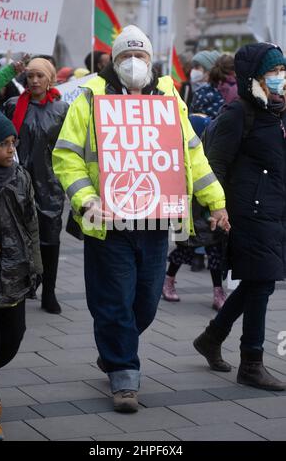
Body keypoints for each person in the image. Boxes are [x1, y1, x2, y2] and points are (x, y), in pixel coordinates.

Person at [53, 25, 230, 413]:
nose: (134, 64)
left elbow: (193, 156)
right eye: (125, 57)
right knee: (114, 299)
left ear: (151, 61)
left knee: (146, 302)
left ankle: (116, 347)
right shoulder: (89, 97)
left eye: (141, 56)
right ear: (113, 61)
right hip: (108, 221)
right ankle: (123, 375)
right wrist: (86, 200)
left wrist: (215, 201)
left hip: (154, 220)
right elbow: (66, 157)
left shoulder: (169, 100)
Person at [193, 43, 286, 391]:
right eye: (272, 73)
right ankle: (252, 362)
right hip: (247, 212)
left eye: (282, 72)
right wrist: (215, 207)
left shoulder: (277, 112)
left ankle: (212, 336)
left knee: (256, 281)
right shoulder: (238, 112)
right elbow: (213, 162)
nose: (279, 78)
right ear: (253, 77)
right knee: (261, 282)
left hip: (275, 210)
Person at [0, 109, 42, 441]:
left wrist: (36, 267)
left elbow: (31, 223)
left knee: (11, 340)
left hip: (14, 274)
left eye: (12, 142)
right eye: (3, 144)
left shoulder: (20, 177)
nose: (10, 149)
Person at [5, 58, 69, 315]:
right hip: (17, 182)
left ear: (50, 78)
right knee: (19, 237)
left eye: (40, 76)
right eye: (30, 76)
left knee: (50, 240)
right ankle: (26, 284)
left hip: (50, 185)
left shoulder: (62, 108)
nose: (34, 81)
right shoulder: (13, 105)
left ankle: (49, 291)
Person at [162, 113, 227, 311]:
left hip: (207, 213)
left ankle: (218, 291)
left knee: (214, 251)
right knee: (184, 249)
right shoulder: (177, 156)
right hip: (187, 213)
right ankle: (168, 281)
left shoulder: (208, 156)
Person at [190, 50, 223, 118]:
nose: (193, 71)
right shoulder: (194, 89)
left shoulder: (202, 93)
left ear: (208, 71)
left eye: (197, 67)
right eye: (192, 67)